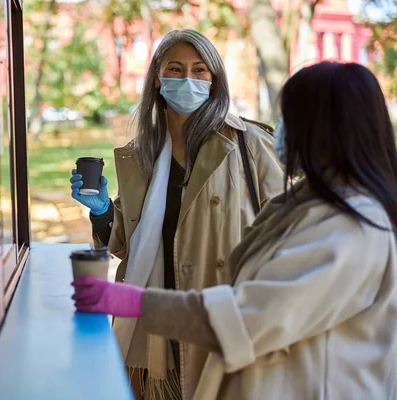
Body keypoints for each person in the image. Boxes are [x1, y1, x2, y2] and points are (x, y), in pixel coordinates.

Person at [73, 62, 397, 399]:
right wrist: (104, 213)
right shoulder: (303, 202)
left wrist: (140, 303)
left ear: (326, 129)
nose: (281, 129)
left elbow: (256, 315)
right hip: (204, 348)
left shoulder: (354, 224)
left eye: (288, 117)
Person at [70, 29, 284, 397]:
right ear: (157, 78)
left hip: (224, 323)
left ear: (214, 80)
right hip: (155, 327)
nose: (188, 79)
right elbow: (129, 244)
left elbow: (287, 236)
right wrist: (104, 210)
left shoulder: (251, 145)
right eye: (175, 69)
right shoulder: (142, 154)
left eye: (200, 70)